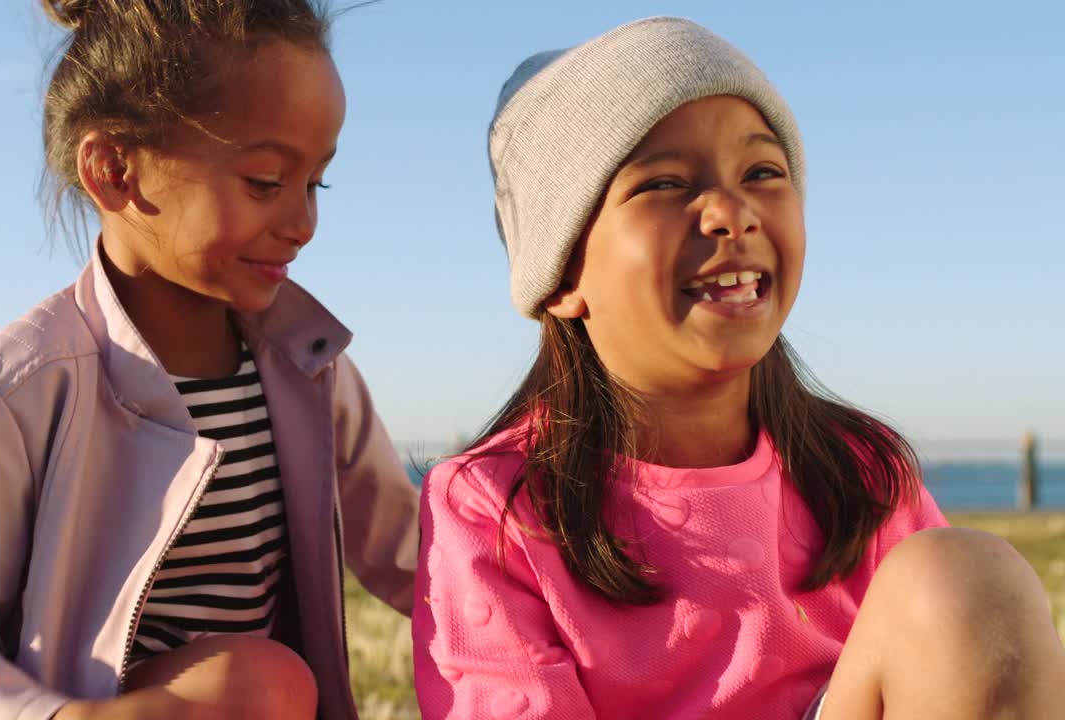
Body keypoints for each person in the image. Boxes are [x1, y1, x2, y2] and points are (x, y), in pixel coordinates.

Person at [412, 16, 1065, 720]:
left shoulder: (861, 471)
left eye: (762, 172)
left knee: (967, 580)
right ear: (562, 275)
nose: (730, 211)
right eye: (663, 183)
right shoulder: (493, 507)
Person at [0, 2, 419, 718]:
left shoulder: (309, 366)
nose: (304, 223)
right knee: (258, 682)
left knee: (267, 684)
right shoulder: (20, 386)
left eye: (317, 184)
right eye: (266, 182)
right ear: (115, 170)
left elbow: (417, 558)